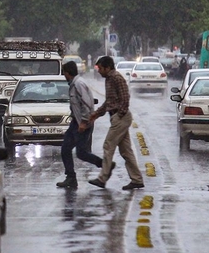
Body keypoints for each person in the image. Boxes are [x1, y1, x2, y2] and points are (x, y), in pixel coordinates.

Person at [88, 56, 144, 190]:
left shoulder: (116, 78)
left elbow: (125, 97)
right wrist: (97, 114)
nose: (99, 71)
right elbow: (109, 102)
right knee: (126, 151)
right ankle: (137, 179)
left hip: (120, 117)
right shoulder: (109, 79)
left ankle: (103, 178)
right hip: (117, 117)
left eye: (100, 68)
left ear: (108, 67)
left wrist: (120, 114)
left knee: (108, 145)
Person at [56, 61, 103, 189]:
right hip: (75, 123)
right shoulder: (74, 84)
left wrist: (84, 122)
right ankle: (71, 177)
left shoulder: (78, 84)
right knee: (65, 149)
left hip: (83, 123)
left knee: (81, 153)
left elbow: (87, 104)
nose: (63, 75)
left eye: (64, 72)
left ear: (67, 72)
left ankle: (104, 164)